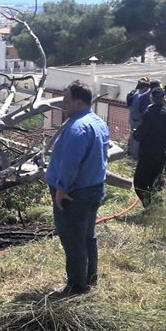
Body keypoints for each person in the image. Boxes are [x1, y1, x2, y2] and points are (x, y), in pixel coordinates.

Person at [46, 80, 110, 295]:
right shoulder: (98, 122)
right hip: (94, 188)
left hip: (74, 193)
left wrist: (62, 189)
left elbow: (71, 162)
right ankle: (90, 279)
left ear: (78, 101)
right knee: (88, 236)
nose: (64, 103)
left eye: (67, 99)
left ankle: (76, 287)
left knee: (73, 240)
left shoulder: (77, 127)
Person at [133, 87, 166, 207]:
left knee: (139, 182)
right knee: (157, 182)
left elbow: (140, 134)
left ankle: (148, 204)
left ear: (152, 98)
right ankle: (155, 206)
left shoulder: (149, 113)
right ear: (163, 98)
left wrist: (135, 133)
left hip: (147, 153)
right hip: (162, 153)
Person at [126, 79, 151, 157]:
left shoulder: (134, 94)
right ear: (145, 87)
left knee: (132, 136)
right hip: (138, 120)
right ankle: (135, 155)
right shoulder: (141, 97)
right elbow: (142, 110)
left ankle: (130, 151)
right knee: (137, 139)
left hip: (132, 118)